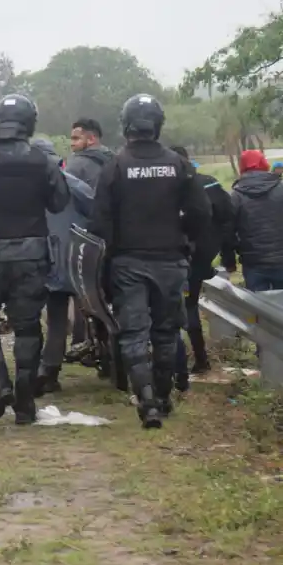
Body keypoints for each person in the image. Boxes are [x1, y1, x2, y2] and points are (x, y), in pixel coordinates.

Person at [91, 94, 211, 429]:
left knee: (132, 332)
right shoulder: (179, 164)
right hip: (170, 260)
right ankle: (162, 396)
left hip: (128, 262)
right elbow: (202, 212)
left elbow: (99, 222)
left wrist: (112, 251)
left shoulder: (114, 166)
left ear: (126, 125)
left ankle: (145, 399)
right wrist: (184, 237)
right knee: (165, 331)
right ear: (158, 124)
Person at [0, 95, 70, 424]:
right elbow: (60, 202)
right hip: (32, 257)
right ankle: (24, 401)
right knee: (28, 327)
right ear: (29, 123)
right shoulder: (42, 161)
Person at [30, 138, 95, 395]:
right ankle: (50, 371)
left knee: (29, 319)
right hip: (67, 260)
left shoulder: (20, 187)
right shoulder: (72, 184)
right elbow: (95, 210)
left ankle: (36, 369)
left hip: (31, 261)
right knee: (57, 319)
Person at [170, 146, 234, 378]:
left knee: (179, 307)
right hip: (199, 257)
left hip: (175, 257)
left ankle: (191, 360)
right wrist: (225, 252)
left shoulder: (166, 189)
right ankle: (198, 359)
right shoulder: (209, 183)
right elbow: (228, 216)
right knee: (188, 306)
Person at [224, 149, 283, 309]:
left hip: (253, 263)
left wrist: (229, 262)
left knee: (259, 315)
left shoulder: (236, 196)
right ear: (264, 164)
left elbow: (227, 233)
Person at [64, 117, 115, 362]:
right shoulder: (116, 161)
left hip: (85, 238)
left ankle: (87, 343)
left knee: (84, 296)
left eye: (76, 138)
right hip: (114, 239)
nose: (72, 143)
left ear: (91, 138)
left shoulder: (76, 165)